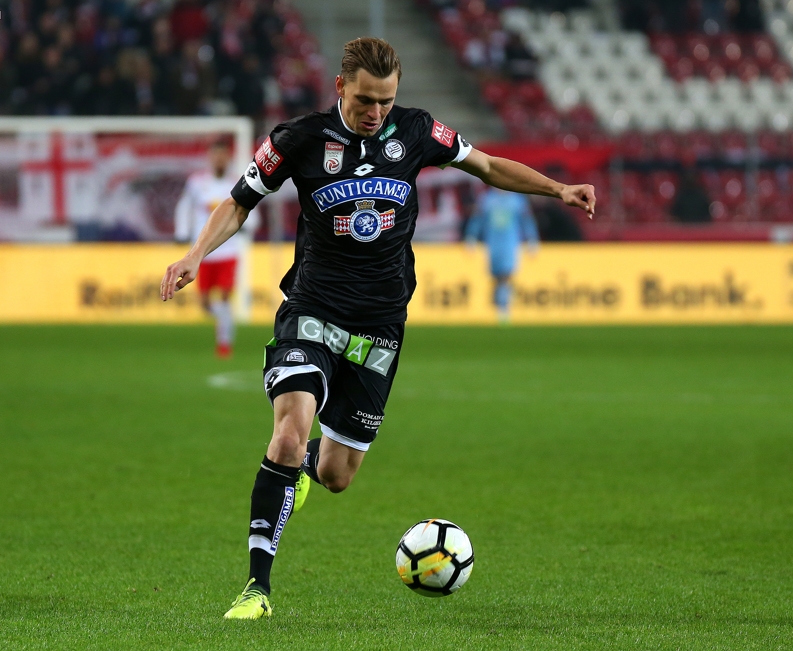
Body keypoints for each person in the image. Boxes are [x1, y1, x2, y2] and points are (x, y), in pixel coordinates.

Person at [159, 37, 595, 619]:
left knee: (336, 473)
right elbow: (239, 202)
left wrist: (558, 189)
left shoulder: (417, 131)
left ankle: (305, 470)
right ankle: (256, 588)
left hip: (381, 327)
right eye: (366, 100)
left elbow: (487, 167)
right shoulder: (300, 139)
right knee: (288, 432)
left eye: (386, 101)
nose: (377, 113)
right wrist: (196, 254)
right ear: (341, 87)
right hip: (312, 309)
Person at [173, 138, 253, 358]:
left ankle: (224, 343)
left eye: (223, 155)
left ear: (228, 158)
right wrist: (181, 232)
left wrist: (250, 227)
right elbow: (184, 207)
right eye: (215, 155)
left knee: (226, 297)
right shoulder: (197, 183)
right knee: (206, 304)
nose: (219, 159)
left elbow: (251, 206)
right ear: (210, 158)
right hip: (204, 253)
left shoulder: (238, 182)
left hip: (229, 250)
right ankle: (224, 320)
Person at [464, 188, 539, 322]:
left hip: (510, 243)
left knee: (506, 274)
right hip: (492, 244)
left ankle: (503, 307)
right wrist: (471, 237)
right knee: (496, 276)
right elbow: (477, 219)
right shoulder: (487, 199)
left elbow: (526, 220)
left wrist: (532, 239)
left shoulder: (517, 200)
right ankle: (498, 304)